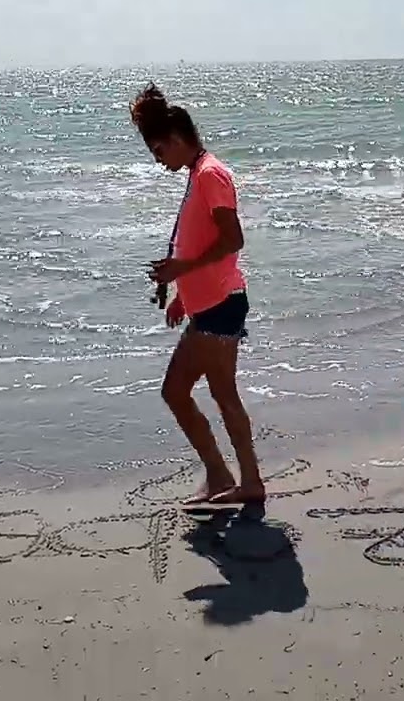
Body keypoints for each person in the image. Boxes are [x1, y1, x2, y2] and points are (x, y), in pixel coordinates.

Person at [131, 82, 265, 505]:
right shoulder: (197, 173)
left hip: (221, 305)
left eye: (159, 152)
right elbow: (199, 240)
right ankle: (235, 479)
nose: (159, 162)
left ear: (175, 139)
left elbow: (232, 239)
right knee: (217, 394)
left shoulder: (210, 174)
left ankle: (229, 477)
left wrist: (180, 271)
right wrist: (182, 295)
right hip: (211, 304)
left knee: (180, 392)